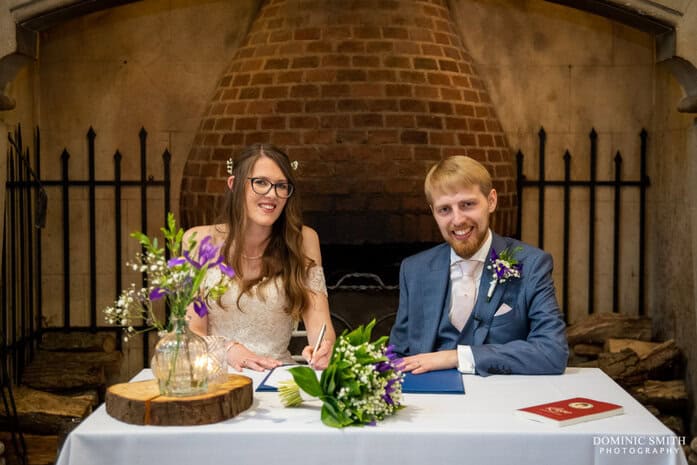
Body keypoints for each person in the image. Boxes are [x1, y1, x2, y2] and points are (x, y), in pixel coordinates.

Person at [389, 155, 568, 376]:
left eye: (467, 204)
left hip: (502, 402)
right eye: (444, 209)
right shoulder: (414, 270)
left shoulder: (532, 264)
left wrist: (455, 357)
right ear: (433, 212)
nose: (457, 220)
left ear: (491, 201)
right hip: (432, 402)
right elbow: (398, 355)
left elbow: (552, 353)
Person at [185, 143, 335, 371]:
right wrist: (228, 349)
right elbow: (191, 332)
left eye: (281, 186)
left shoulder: (303, 240)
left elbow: (319, 319)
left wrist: (324, 347)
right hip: (216, 377)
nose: (272, 194)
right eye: (261, 183)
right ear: (234, 185)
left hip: (277, 378)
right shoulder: (197, 240)